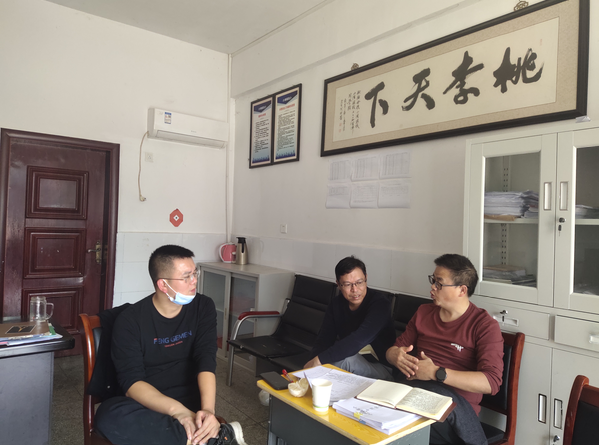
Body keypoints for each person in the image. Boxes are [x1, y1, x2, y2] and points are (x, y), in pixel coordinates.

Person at [95, 245, 246, 445]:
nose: (194, 281)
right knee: (108, 415)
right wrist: (179, 412)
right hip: (148, 404)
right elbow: (132, 383)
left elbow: (206, 360)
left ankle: (195, 436)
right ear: (163, 285)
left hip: (189, 399)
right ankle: (214, 439)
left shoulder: (203, 307)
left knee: (169, 429)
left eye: (195, 273)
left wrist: (208, 411)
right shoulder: (130, 321)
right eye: (186, 277)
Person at [386, 253, 504, 445]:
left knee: (401, 430)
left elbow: (491, 382)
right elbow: (395, 349)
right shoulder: (423, 312)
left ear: (462, 290)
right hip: (414, 394)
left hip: (453, 411)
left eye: (439, 283)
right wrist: (394, 355)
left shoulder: (484, 326)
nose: (433, 287)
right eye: (433, 280)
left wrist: (436, 373)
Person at [304, 256, 396, 380]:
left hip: (382, 368)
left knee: (344, 362)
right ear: (338, 284)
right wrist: (311, 363)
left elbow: (359, 339)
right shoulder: (336, 304)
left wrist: (319, 360)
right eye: (347, 284)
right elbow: (324, 340)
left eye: (359, 282)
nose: (355, 290)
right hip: (352, 361)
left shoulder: (380, 304)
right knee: (321, 366)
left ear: (366, 278)